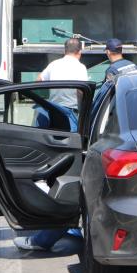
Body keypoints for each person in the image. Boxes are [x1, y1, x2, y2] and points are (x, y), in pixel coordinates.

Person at [14, 38, 87, 251]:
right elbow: (81, 91)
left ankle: (46, 186)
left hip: (53, 112)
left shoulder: (54, 65)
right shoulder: (80, 67)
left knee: (52, 154)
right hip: (70, 115)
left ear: (65, 50)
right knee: (71, 160)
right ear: (79, 52)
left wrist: (44, 102)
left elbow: (38, 81)